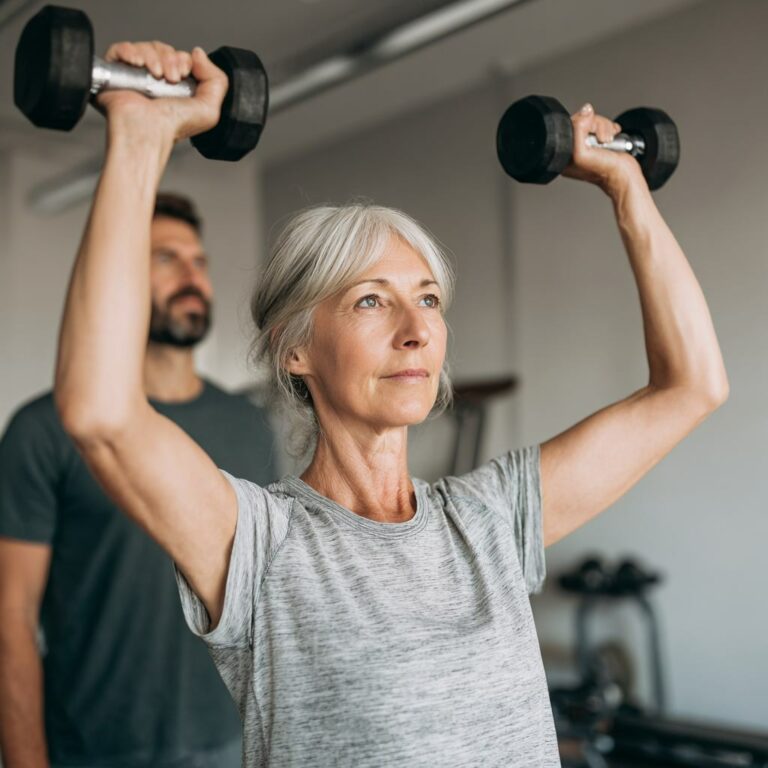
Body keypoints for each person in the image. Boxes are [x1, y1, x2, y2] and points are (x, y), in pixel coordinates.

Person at [53, 41, 728, 768]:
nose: (416, 332)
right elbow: (102, 412)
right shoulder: (259, 545)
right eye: (372, 300)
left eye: (428, 300)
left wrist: (628, 189)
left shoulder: (490, 520)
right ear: (294, 349)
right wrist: (140, 135)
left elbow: (692, 385)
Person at [0, 191, 277, 767]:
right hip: (92, 749)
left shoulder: (248, 425)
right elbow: (11, 618)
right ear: (118, 277)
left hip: (230, 744)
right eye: (165, 259)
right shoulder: (43, 430)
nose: (192, 276)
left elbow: (264, 601)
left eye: (198, 262)